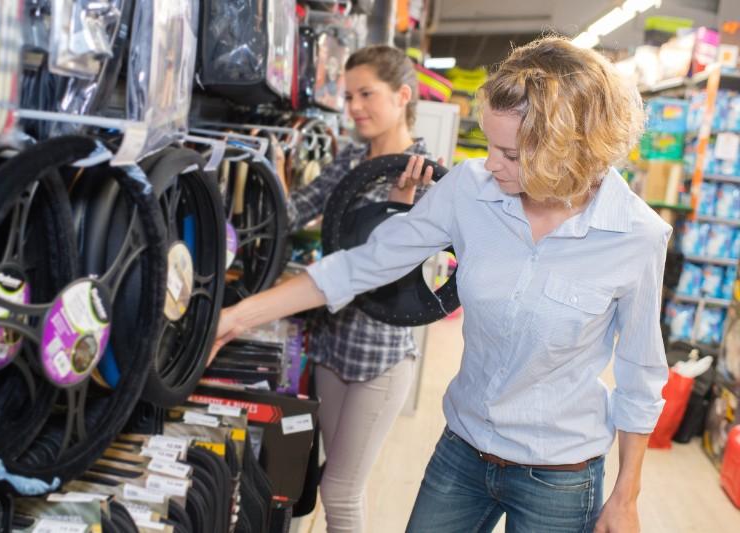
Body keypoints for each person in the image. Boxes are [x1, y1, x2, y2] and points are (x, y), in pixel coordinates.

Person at [212, 36, 670, 532]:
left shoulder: (636, 236)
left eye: (511, 154)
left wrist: (626, 495)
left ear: (570, 150)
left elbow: (640, 374)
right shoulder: (472, 190)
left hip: (559, 473)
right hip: (464, 451)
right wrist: (236, 318)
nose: (490, 164)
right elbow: (362, 264)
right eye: (490, 144)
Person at [217, 45, 436, 532]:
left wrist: (401, 203)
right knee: (321, 481)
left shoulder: (426, 175)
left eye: (366, 94)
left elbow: (397, 270)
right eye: (348, 94)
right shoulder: (353, 159)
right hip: (333, 347)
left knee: (342, 490)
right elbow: (299, 207)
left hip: (379, 360)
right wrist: (233, 226)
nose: (354, 106)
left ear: (402, 95)